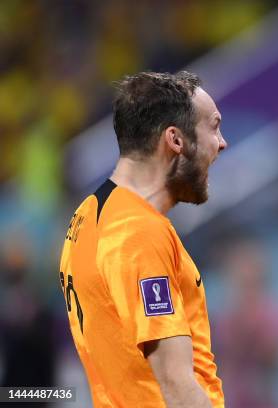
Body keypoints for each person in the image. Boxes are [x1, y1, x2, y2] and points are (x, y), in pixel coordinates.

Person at [59, 71, 227, 408]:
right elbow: (176, 385)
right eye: (214, 126)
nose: (222, 142)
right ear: (175, 140)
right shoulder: (136, 232)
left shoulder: (88, 215)